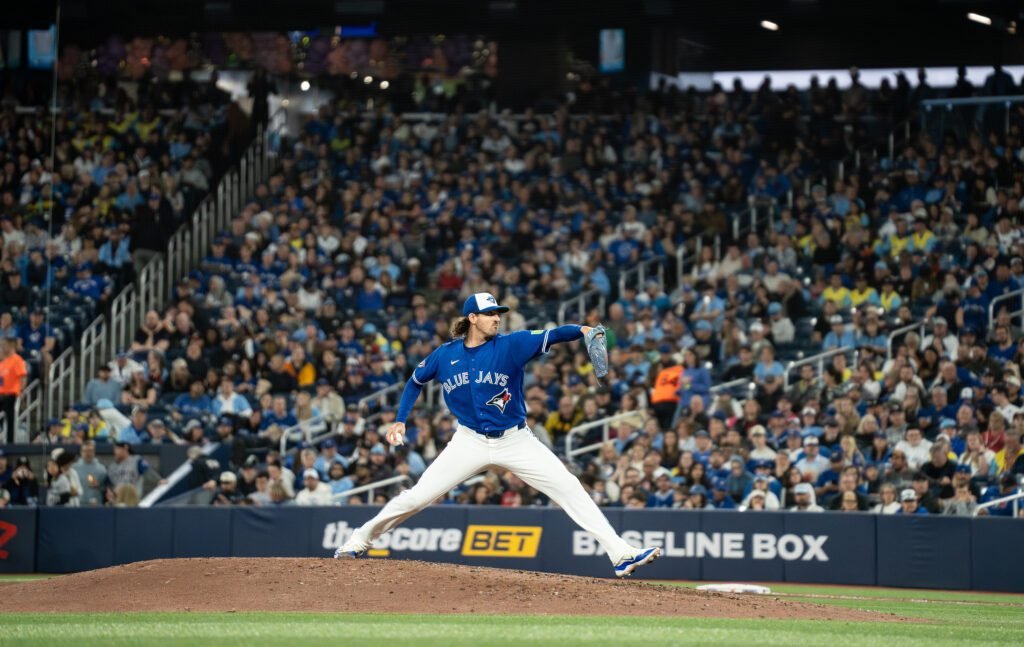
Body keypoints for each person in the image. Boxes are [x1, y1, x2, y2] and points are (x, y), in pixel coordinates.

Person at [334, 293, 661, 576]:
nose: (496, 319)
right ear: (472, 318)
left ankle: (619, 553)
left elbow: (555, 334)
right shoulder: (445, 355)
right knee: (417, 497)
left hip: (515, 440)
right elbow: (415, 381)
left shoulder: (512, 345)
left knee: (568, 487)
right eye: (490, 314)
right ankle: (359, 539)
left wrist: (584, 330)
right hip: (468, 441)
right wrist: (400, 419)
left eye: (498, 313)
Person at [0, 338, 28, 442]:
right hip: (1, 394)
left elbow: (23, 376)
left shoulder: (17, 359)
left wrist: (21, 390)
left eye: (4, 345)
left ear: (11, 345)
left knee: (10, 419)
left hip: (11, 394)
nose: (2, 347)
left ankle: (10, 442)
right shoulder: (3, 361)